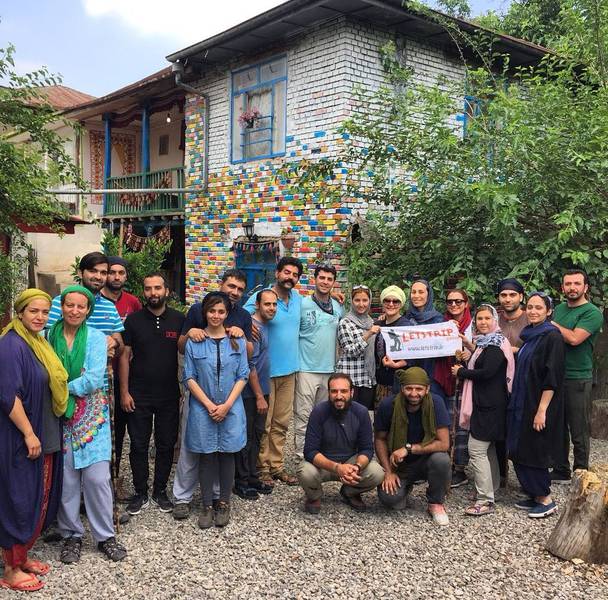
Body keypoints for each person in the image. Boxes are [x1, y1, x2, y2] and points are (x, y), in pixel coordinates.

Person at [50, 286, 127, 563]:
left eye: (80, 306)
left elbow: (93, 379)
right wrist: (62, 388)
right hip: (59, 416)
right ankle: (71, 535)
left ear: (88, 310)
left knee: (97, 478)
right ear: (62, 307)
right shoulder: (48, 337)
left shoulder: (96, 337)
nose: (74, 311)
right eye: (69, 305)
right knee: (67, 480)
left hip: (92, 415)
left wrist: (58, 387)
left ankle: (105, 536)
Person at [0, 290, 68, 592]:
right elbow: (8, 395)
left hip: (39, 430)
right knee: (18, 496)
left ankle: (22, 557)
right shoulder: (11, 345)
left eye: (44, 312)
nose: (40, 317)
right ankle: (10, 569)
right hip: (17, 435)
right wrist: (28, 433)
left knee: (34, 495)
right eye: (33, 311)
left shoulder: (35, 342)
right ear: (20, 313)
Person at [173, 269, 252, 518]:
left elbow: (244, 371)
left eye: (221, 312)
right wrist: (208, 405)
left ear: (227, 314)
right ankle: (191, 499)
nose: (216, 315)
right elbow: (188, 373)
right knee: (197, 450)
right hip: (201, 403)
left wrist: (227, 405)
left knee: (226, 452)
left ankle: (221, 500)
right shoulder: (196, 328)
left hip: (230, 404)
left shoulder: (240, 324)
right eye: (212, 311)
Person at [120, 274, 185, 516]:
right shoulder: (133, 320)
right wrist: (124, 392)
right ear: (144, 292)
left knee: (166, 444)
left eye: (157, 288)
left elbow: (188, 351)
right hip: (138, 394)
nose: (153, 292)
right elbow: (124, 357)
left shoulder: (179, 319)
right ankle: (140, 492)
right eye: (148, 289)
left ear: (166, 290)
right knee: (138, 445)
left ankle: (160, 491)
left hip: (169, 394)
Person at [243, 257, 303, 485]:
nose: (290, 277)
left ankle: (277, 466)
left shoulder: (298, 299)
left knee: (281, 422)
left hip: (289, 370)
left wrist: (334, 297)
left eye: (295, 275)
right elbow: (240, 316)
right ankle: (262, 467)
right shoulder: (263, 297)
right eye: (286, 272)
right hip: (266, 372)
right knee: (265, 423)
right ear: (277, 273)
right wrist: (246, 323)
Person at [452, 304, 514, 516]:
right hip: (486, 404)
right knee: (488, 450)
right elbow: (481, 364)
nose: (483, 322)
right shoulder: (483, 343)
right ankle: (492, 489)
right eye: (480, 319)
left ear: (495, 320)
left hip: (490, 406)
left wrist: (461, 372)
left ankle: (485, 500)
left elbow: (487, 372)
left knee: (476, 449)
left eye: (487, 318)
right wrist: (468, 350)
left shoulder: (495, 345)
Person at [508, 292, 564, 518]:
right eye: (530, 307)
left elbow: (552, 376)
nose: (533, 311)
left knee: (534, 449)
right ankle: (533, 493)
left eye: (539, 308)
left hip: (538, 403)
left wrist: (542, 410)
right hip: (522, 401)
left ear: (549, 311)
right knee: (520, 447)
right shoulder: (530, 335)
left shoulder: (552, 337)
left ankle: (545, 498)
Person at [297, 373, 384, 514]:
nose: (339, 396)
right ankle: (314, 496)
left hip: (351, 463)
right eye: (334, 391)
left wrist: (357, 467)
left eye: (343, 391)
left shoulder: (361, 412)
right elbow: (310, 451)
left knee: (377, 472)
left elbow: (367, 449)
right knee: (304, 471)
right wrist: (337, 467)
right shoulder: (319, 412)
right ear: (328, 393)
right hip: (324, 464)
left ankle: (350, 492)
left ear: (351, 392)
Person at [375, 367, 451, 526]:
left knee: (442, 459)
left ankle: (435, 502)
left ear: (427, 389)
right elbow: (380, 439)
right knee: (390, 500)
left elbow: (444, 443)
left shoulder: (436, 403)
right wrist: (388, 471)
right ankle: (405, 486)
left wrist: (409, 449)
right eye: (409, 388)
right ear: (402, 388)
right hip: (398, 464)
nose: (414, 393)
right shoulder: (388, 405)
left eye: (419, 389)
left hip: (425, 460)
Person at [551, 269, 603, 484]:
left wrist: (551, 323)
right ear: (562, 287)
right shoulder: (559, 309)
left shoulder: (592, 312)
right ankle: (560, 470)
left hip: (578, 377)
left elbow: (574, 339)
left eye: (577, 283)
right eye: (568, 284)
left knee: (578, 427)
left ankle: (581, 472)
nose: (572, 288)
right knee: (557, 426)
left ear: (585, 287)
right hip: (556, 375)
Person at [293, 264, 344, 459]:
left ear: (334, 282)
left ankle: (319, 454)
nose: (325, 282)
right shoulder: (302, 304)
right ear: (315, 279)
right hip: (306, 368)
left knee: (324, 415)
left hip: (329, 369)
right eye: (322, 277)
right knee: (303, 415)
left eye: (329, 279)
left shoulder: (338, 306)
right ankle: (301, 455)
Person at [101, 256, 142, 489]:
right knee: (103, 430)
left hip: (125, 375)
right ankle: (102, 481)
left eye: (121, 273)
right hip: (101, 376)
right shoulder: (95, 301)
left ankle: (115, 478)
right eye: (112, 272)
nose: (116, 277)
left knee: (120, 430)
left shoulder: (132, 302)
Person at [234, 289, 277, 500]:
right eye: (267, 304)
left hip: (263, 389)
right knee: (247, 436)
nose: (272, 308)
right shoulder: (252, 328)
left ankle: (252, 476)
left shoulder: (265, 325)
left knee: (258, 433)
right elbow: (249, 365)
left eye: (274, 304)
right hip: (250, 393)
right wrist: (259, 396)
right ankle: (241, 481)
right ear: (257, 305)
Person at [432, 289, 473, 488]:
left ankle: (460, 467)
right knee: (445, 422)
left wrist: (469, 351)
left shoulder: (473, 324)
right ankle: (444, 463)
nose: (454, 305)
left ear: (466, 303)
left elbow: (483, 348)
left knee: (462, 424)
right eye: (450, 302)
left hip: (466, 381)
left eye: (458, 301)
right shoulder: (441, 323)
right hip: (444, 378)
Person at [336, 285, 381, 410]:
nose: (361, 304)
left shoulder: (371, 322)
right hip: (350, 379)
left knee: (363, 414)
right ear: (351, 301)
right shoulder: (345, 323)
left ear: (369, 301)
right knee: (347, 415)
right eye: (357, 300)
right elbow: (350, 351)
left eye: (365, 300)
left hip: (367, 378)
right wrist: (368, 334)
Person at [375, 285, 410, 405]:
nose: (391, 304)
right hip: (380, 382)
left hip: (398, 382)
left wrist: (396, 364)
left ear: (401, 304)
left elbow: (414, 354)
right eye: (387, 300)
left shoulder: (406, 326)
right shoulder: (378, 324)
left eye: (395, 301)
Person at [404, 278, 445, 380]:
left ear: (428, 294)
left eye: (421, 292)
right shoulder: (406, 318)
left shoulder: (438, 320)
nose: (416, 295)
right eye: (413, 292)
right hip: (409, 373)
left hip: (432, 373)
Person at [496, 278, 528, 353]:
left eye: (512, 295)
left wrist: (518, 350)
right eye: (503, 295)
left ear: (521, 297)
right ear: (498, 298)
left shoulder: (531, 319)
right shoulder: (493, 319)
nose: (508, 299)